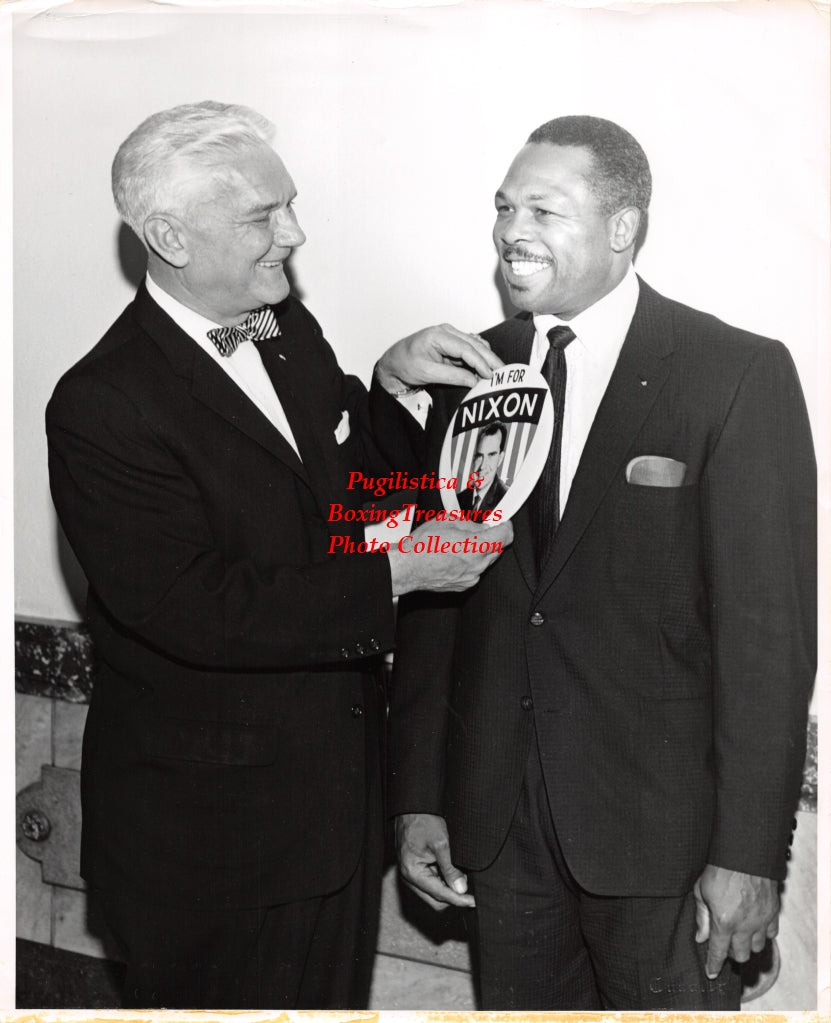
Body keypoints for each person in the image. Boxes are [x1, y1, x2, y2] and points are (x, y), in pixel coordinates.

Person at [45, 100, 511, 1010]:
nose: (293, 236)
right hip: (206, 849)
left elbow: (337, 494)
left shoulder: (275, 325)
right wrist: (400, 574)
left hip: (333, 822)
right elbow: (193, 607)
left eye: (286, 206)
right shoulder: (101, 403)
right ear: (169, 235)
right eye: (263, 217)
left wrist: (387, 383)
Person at [371, 115, 817, 1010]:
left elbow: (766, 640)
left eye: (542, 207)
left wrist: (746, 855)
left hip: (665, 848)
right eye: (503, 207)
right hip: (498, 834)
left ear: (622, 229)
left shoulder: (732, 373)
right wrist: (420, 792)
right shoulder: (468, 372)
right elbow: (434, 609)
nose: (509, 229)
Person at [457, 421, 509, 512]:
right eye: (479, 456)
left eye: (491, 455)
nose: (482, 466)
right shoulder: (458, 500)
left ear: (500, 458)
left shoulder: (508, 499)